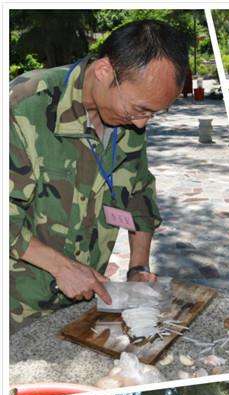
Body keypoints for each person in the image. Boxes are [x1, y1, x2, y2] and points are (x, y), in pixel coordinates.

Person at [10, 19, 189, 331]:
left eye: (152, 114)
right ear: (105, 71)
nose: (142, 124)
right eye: (139, 109)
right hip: (16, 307)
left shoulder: (127, 120)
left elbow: (139, 195)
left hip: (81, 301)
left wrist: (138, 268)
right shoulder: (22, 106)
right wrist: (61, 267)